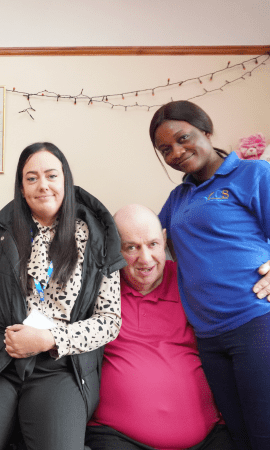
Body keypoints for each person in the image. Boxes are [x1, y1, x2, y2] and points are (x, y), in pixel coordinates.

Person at [0, 142, 126, 450]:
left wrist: (50, 339)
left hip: (59, 366)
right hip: (0, 357)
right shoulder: (3, 232)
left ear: (66, 181)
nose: (43, 186)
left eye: (51, 176)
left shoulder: (96, 236)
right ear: (21, 188)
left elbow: (109, 321)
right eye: (31, 178)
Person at [150, 101, 270, 449]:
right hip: (209, 337)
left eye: (183, 137)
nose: (177, 152)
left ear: (206, 129)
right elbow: (144, 239)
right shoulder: (177, 198)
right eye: (165, 149)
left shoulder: (253, 174)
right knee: (238, 435)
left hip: (256, 323)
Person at [82, 204, 235, 450]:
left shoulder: (193, 279)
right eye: (131, 247)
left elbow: (245, 288)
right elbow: (43, 298)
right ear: (114, 248)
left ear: (164, 240)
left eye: (153, 244)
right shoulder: (98, 288)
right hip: (116, 437)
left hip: (210, 437)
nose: (145, 259)